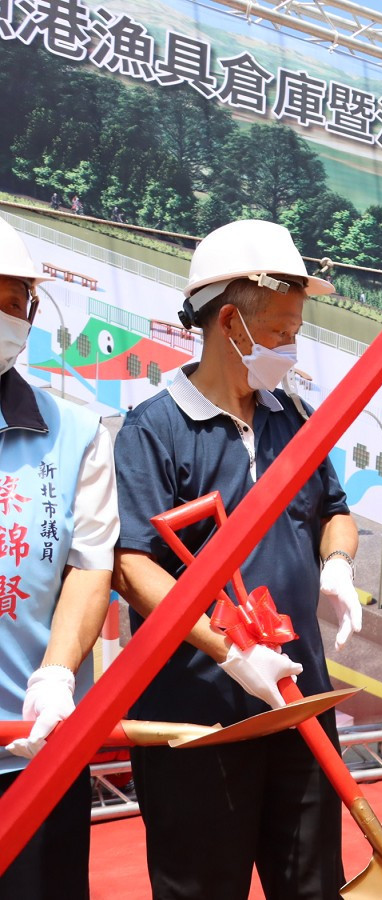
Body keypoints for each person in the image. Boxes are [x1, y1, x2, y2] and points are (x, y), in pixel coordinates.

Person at [112, 219, 362, 898]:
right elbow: (134, 567)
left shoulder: (294, 419)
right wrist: (229, 652)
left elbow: (335, 510)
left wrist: (337, 564)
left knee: (313, 886)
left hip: (299, 704)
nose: (292, 347)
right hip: (196, 722)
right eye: (281, 332)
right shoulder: (152, 430)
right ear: (231, 322)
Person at [0, 218, 118, 898]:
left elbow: (90, 562)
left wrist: (56, 674)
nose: (0, 313)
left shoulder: (75, 433)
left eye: (11, 298)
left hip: (33, 756)